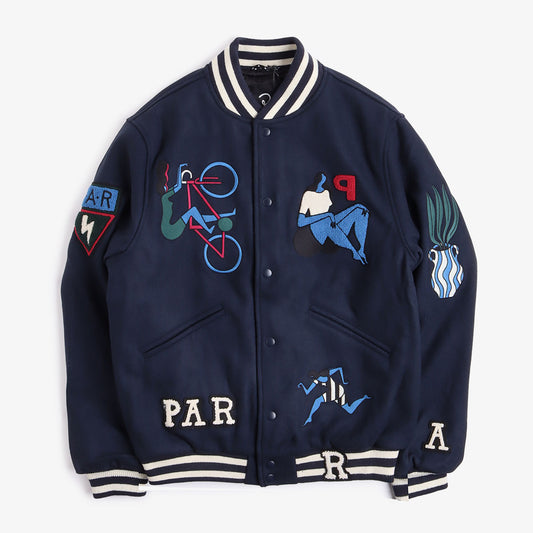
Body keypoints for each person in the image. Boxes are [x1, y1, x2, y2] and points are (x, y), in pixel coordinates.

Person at [297, 173, 369, 264]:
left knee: (361, 210)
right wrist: (326, 215)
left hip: (331, 229)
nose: (330, 203)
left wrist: (328, 216)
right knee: (326, 221)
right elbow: (301, 222)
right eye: (322, 183)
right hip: (314, 235)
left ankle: (361, 250)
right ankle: (354, 251)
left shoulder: (326, 193)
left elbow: (330, 215)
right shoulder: (308, 195)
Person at [298, 367, 370, 425]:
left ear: (312, 376)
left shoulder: (324, 374)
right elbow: (339, 369)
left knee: (318, 400)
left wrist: (344, 381)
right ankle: (364, 398)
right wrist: (302, 385)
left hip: (335, 392)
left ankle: (310, 417)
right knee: (350, 410)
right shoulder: (319, 378)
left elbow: (339, 368)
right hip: (339, 391)